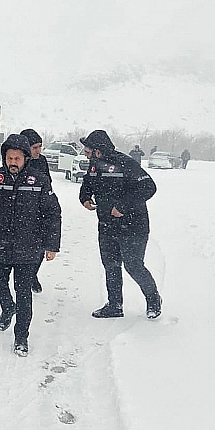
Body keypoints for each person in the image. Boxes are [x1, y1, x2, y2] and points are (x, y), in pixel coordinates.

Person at [0, 134, 62, 357]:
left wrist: (51, 245)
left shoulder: (38, 180)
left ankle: (21, 338)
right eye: (9, 158)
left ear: (25, 159)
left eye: (17, 158)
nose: (13, 162)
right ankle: (7, 307)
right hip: (0, 244)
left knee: (23, 294)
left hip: (28, 247)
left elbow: (52, 213)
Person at [79, 130, 162, 320]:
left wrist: (123, 206)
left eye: (87, 149)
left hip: (133, 226)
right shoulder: (94, 165)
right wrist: (84, 198)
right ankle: (114, 305)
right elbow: (87, 184)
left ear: (98, 150)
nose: (85, 152)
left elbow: (149, 187)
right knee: (111, 265)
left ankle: (153, 299)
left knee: (133, 265)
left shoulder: (126, 163)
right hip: (107, 225)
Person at [19, 128, 53, 294]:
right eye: (35, 147)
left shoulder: (42, 160)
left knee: (40, 246)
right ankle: (26, 275)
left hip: (40, 209)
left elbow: (48, 182)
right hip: (21, 210)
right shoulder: (17, 161)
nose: (38, 151)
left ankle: (32, 274)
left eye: (40, 146)